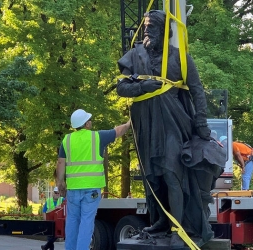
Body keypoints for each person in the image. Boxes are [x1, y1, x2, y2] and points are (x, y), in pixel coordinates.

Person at [116, 10, 221, 248]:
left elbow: (197, 91)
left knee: (172, 173)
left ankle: (179, 227)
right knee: (152, 177)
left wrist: (201, 123)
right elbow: (121, 88)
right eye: (145, 27)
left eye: (151, 27)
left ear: (165, 32)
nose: (146, 31)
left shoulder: (180, 57)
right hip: (146, 123)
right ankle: (162, 219)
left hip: (174, 123)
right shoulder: (135, 54)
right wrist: (143, 87)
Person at [56, 109, 131, 250]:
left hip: (73, 189)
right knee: (86, 222)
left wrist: (60, 184)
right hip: (91, 190)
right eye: (89, 120)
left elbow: (60, 163)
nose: (91, 121)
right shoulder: (98, 137)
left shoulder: (67, 140)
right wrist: (129, 123)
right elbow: (119, 131)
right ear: (86, 124)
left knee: (72, 221)